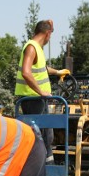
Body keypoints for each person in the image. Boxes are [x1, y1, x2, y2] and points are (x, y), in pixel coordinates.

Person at [15, 19, 70, 164]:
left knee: (46, 136)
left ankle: (47, 166)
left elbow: (42, 69)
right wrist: (41, 92)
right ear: (47, 33)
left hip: (38, 99)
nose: (49, 39)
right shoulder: (31, 47)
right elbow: (27, 73)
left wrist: (57, 72)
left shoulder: (37, 48)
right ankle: (42, 167)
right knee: (41, 136)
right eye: (50, 35)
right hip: (33, 99)